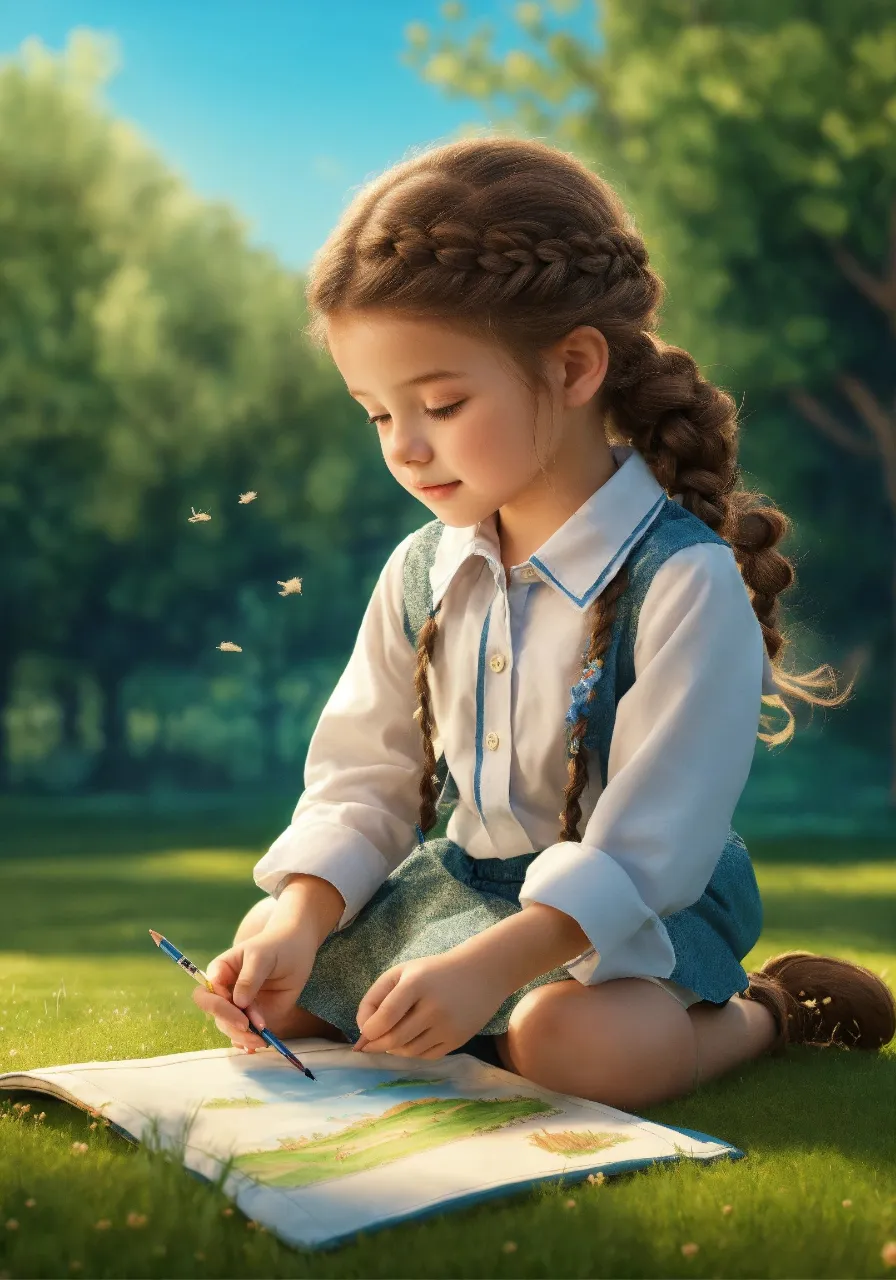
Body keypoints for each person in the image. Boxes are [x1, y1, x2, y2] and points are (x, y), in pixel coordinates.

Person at [193, 136, 895, 1110]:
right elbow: (366, 774)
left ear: (571, 367)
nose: (404, 447)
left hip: (620, 909)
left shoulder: (680, 581)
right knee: (287, 990)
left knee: (569, 1045)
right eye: (374, 415)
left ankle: (770, 1007)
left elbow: (651, 847)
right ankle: (451, 1005)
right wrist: (297, 915)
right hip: (458, 888)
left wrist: (488, 967)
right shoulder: (420, 569)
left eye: (438, 402)